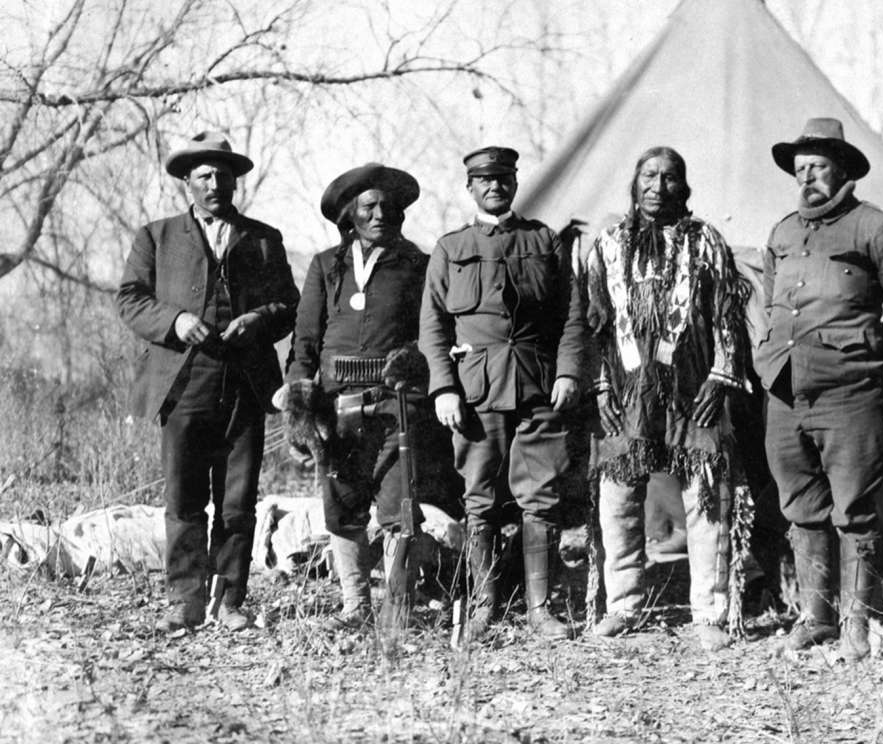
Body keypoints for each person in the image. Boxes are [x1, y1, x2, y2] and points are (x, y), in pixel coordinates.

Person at [756, 118, 883, 660]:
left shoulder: (878, 228)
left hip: (848, 395)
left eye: (818, 166)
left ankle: (858, 625)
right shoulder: (783, 232)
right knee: (801, 505)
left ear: (843, 170)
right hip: (784, 392)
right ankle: (817, 618)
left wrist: (870, 355)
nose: (806, 176)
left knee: (852, 510)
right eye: (799, 167)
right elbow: (769, 303)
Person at [117, 132, 299, 632]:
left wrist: (259, 319)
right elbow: (129, 299)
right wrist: (174, 322)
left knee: (238, 500)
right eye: (203, 176)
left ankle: (231, 600)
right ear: (186, 183)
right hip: (183, 380)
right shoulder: (156, 236)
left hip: (245, 382)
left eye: (223, 175)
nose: (215, 183)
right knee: (184, 497)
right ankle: (186, 597)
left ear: (236, 180)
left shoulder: (265, 239)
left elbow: (290, 306)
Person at [582, 146, 752, 652]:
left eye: (669, 177)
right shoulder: (608, 245)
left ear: (685, 186)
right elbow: (592, 324)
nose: (658, 186)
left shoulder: (706, 242)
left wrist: (721, 379)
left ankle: (710, 611)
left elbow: (727, 313)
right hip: (626, 387)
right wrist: (601, 385)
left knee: (705, 495)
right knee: (617, 495)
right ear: (635, 185)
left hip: (693, 385)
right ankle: (623, 604)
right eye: (649, 176)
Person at [419, 146, 585, 640]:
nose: (495, 186)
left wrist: (569, 372)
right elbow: (433, 326)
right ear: (469, 187)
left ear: (515, 182)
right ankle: (485, 606)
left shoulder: (542, 240)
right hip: (475, 390)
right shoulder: (450, 248)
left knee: (541, 497)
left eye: (503, 178)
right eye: (484, 180)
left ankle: (540, 609)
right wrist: (444, 389)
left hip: (538, 384)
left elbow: (572, 315)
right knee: (480, 498)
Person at [282, 163, 433, 630]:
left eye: (389, 207)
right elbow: (305, 339)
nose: (380, 214)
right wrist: (300, 406)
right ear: (350, 215)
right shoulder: (326, 266)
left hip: (395, 405)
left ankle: (398, 604)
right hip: (334, 406)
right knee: (342, 504)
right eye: (369, 206)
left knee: (396, 503)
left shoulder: (417, 264)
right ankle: (355, 604)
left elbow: (431, 334)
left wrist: (413, 361)